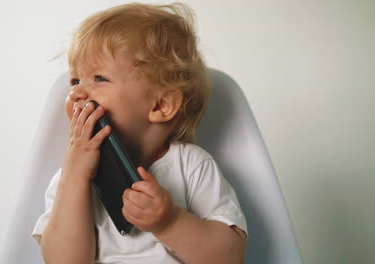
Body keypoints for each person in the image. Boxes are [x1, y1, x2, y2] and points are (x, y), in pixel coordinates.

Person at [32, 2, 248, 263]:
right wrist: (75, 178)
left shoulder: (191, 166)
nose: (76, 93)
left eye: (99, 78)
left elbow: (230, 257)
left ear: (160, 105)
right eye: (75, 81)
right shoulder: (69, 176)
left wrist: (170, 223)